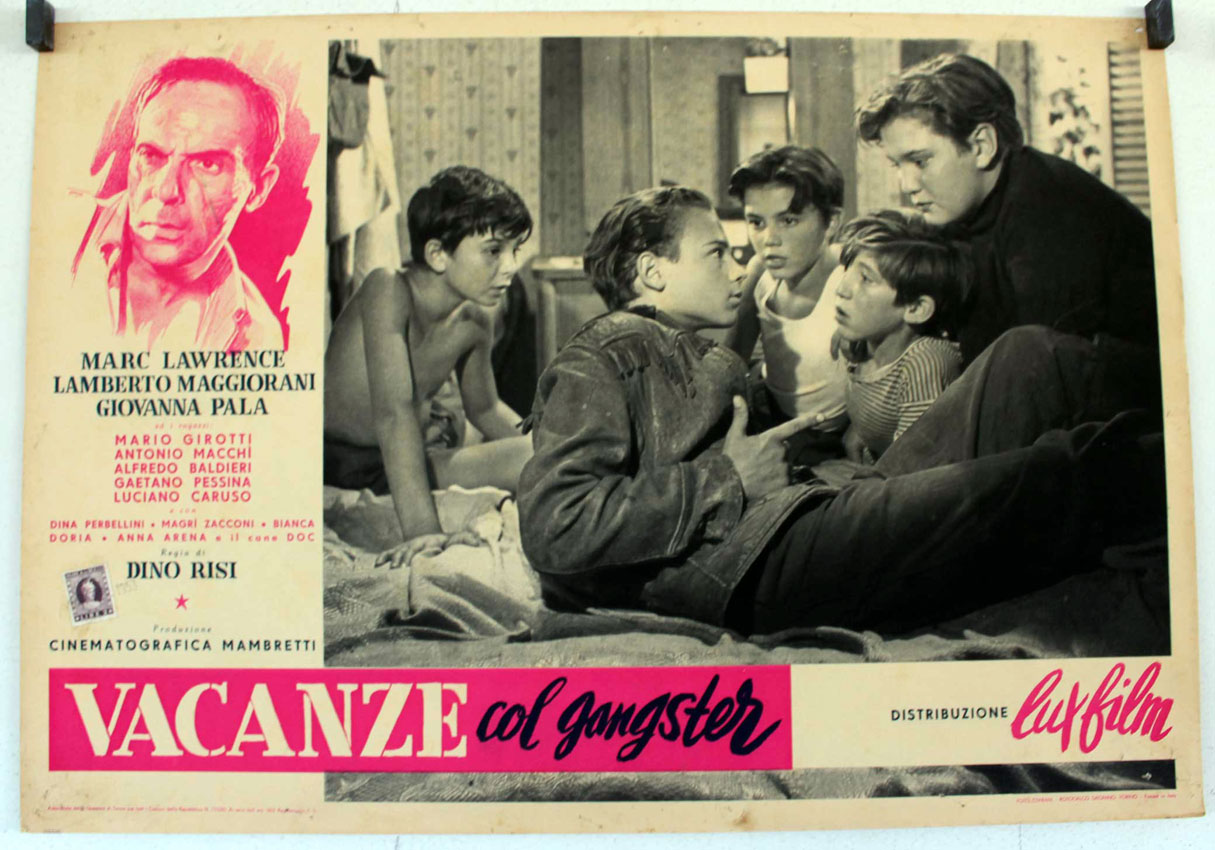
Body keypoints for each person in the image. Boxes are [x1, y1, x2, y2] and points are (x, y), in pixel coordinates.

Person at [518, 186, 1164, 635]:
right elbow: (555, 524)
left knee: (1025, 357)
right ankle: (1175, 474)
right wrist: (729, 478)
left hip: (806, 512)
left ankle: (1185, 401)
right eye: (717, 251)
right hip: (751, 563)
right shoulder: (604, 351)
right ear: (651, 272)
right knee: (1048, 474)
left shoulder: (700, 353)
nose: (740, 266)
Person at [856, 53, 1158, 372]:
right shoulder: (962, 212)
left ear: (982, 146)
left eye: (920, 161)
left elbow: (1040, 371)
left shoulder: (1047, 209)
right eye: (897, 165)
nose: (907, 184)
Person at [324, 166, 534, 567]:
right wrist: (424, 532)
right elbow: (393, 413)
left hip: (408, 463)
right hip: (342, 464)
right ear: (438, 254)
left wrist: (556, 445)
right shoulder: (387, 288)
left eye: (514, 250)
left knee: (543, 455)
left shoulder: (476, 320)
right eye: (494, 251)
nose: (510, 266)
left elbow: (486, 409)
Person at [74, 56, 287, 350]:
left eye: (208, 164)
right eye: (151, 155)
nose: (165, 190)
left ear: (259, 188)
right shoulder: (58, 233)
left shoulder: (257, 336)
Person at [725, 146, 849, 450]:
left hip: (836, 431)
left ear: (831, 222)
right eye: (757, 222)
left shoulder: (852, 274)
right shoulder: (759, 271)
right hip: (771, 414)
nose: (770, 240)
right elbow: (731, 360)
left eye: (789, 221)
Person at [833, 210, 968, 462]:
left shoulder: (925, 361)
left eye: (866, 279)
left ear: (915, 309)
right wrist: (860, 431)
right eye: (848, 270)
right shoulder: (857, 340)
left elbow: (914, 463)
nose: (841, 289)